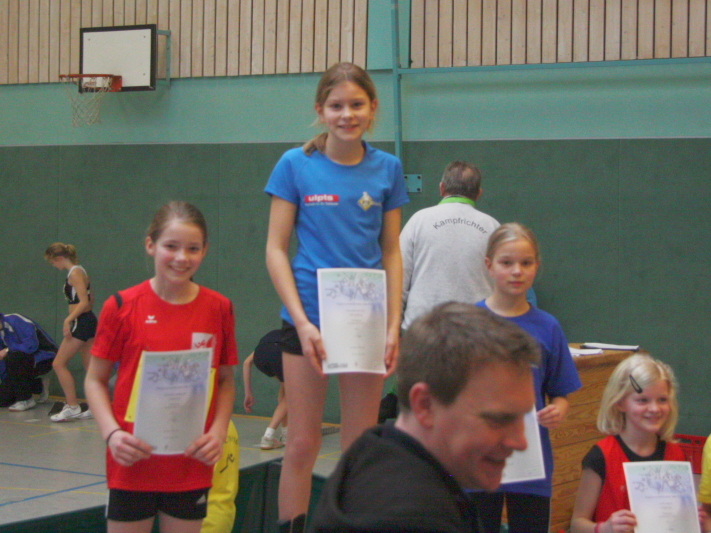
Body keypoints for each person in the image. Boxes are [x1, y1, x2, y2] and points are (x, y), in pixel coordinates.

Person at [264, 62, 409, 531]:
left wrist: (392, 324)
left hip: (365, 321)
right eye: (337, 106)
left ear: (373, 108)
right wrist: (303, 322)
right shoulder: (295, 165)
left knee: (358, 442)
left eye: (357, 105)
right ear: (320, 110)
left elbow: (391, 251)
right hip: (307, 319)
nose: (347, 114)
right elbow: (275, 249)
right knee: (302, 443)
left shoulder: (387, 168)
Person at [308, 302, 539, 533]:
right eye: (498, 419)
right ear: (425, 405)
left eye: (523, 417)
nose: (521, 442)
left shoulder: (374, 454)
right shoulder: (412, 518)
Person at [84, 201, 238, 533]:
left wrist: (218, 431)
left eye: (193, 248)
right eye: (171, 246)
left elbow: (226, 380)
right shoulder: (121, 306)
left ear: (205, 250)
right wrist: (112, 434)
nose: (182, 257)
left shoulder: (219, 308)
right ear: (150, 245)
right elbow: (95, 380)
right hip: (132, 463)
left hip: (191, 463)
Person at [468, 222, 582, 533]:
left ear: (536, 266)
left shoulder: (548, 327)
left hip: (530, 461)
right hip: (478, 459)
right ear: (489, 265)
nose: (517, 271)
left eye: (526, 263)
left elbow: (560, 392)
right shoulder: (469, 323)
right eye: (507, 263)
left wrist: (558, 409)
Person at [570, 354, 685, 533]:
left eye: (662, 400)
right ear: (620, 403)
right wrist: (604, 528)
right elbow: (577, 524)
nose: (654, 409)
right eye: (642, 400)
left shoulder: (675, 453)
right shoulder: (602, 456)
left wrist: (692, 519)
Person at [400, 160, 499, 330]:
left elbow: (399, 279)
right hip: (478, 330)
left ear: (442, 188)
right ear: (478, 194)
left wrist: (394, 327)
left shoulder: (418, 221)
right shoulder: (493, 227)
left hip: (422, 330)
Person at [44, 242, 97, 422]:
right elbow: (91, 299)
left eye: (52, 262)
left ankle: (73, 406)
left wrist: (69, 319)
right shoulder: (81, 271)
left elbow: (84, 302)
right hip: (87, 320)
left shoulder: (74, 273)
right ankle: (96, 406)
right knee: (90, 367)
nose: (53, 265)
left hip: (81, 322)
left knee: (58, 364)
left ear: (59, 258)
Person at [0, 312, 58, 410]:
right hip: (18, 362)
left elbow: (31, 345)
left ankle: (26, 400)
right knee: (3, 399)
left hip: (45, 357)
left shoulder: (16, 320)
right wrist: (7, 380)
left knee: (13, 357)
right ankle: (39, 385)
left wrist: (7, 350)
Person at [242, 329, 288, 450]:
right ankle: (268, 437)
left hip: (260, 357)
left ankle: (286, 434)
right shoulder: (296, 337)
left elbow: (246, 363)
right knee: (292, 395)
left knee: (286, 391)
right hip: (279, 354)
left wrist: (248, 393)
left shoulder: (274, 338)